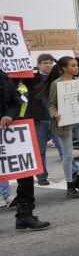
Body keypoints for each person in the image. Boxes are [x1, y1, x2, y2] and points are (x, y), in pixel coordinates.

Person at [1, 70, 50, 231]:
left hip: (11, 132)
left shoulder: (4, 76)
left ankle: (25, 215)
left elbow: (16, 101)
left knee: (25, 173)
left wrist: (9, 115)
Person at [44, 55, 79, 198]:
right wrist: (55, 114)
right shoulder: (56, 84)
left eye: (77, 65)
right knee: (68, 155)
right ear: (64, 68)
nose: (77, 68)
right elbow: (51, 104)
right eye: (73, 65)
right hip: (64, 124)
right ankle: (70, 185)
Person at [30, 53, 61, 186]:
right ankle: (42, 176)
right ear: (38, 65)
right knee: (40, 149)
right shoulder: (33, 78)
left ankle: (73, 173)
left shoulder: (56, 77)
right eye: (45, 63)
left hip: (56, 118)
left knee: (63, 148)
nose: (48, 65)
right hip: (40, 119)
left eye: (50, 63)